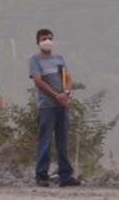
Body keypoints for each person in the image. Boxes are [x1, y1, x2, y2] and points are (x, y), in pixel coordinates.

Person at [29, 29, 81, 187]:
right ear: (38, 41)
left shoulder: (59, 59)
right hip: (47, 107)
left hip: (62, 106)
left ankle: (65, 175)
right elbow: (38, 81)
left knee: (62, 141)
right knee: (45, 141)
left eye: (50, 38)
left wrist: (66, 93)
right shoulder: (35, 60)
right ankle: (41, 175)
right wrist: (55, 96)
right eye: (44, 38)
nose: (47, 40)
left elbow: (67, 78)